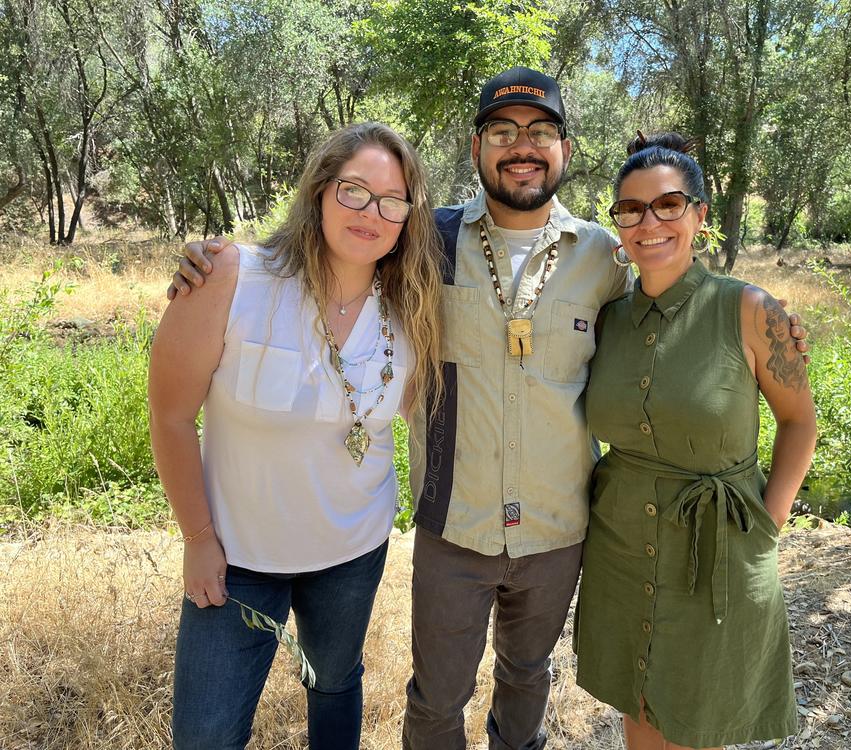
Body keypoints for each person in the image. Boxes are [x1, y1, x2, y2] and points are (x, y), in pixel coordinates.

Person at [168, 69, 810, 750]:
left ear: (566, 148)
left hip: (559, 528)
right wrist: (219, 262)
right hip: (455, 525)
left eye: (541, 132)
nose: (522, 146)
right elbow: (341, 236)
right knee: (436, 700)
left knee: (529, 680)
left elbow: (674, 294)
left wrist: (765, 317)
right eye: (503, 131)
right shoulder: (425, 242)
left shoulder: (603, 255)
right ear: (476, 147)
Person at [148, 121, 444, 750]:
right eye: (354, 191)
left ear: (409, 218)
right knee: (206, 733)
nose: (372, 213)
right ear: (318, 191)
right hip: (237, 557)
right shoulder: (234, 278)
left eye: (393, 201)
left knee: (335, 685)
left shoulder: (412, 311)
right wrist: (198, 539)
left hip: (352, 550)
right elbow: (171, 417)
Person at [573, 132, 817, 750]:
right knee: (641, 705)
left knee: (701, 714)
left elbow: (799, 422)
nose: (648, 222)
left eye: (668, 205)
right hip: (620, 546)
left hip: (719, 546)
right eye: (630, 209)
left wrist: (770, 518)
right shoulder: (608, 318)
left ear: (700, 215)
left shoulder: (753, 312)